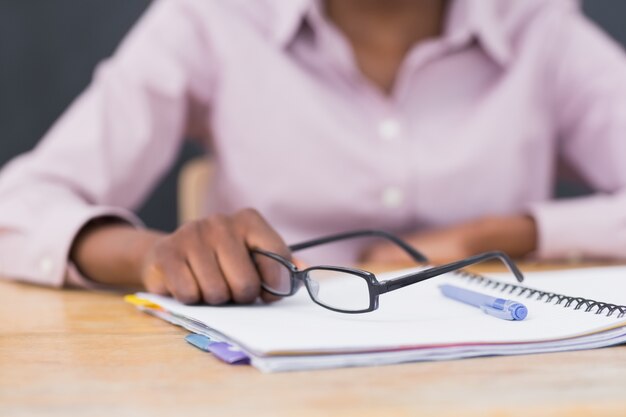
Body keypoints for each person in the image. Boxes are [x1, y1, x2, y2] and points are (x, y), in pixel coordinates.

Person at [1, 0, 625, 305]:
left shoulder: (536, 26)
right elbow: (18, 206)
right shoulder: (214, 20)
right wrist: (150, 255)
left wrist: (506, 232)